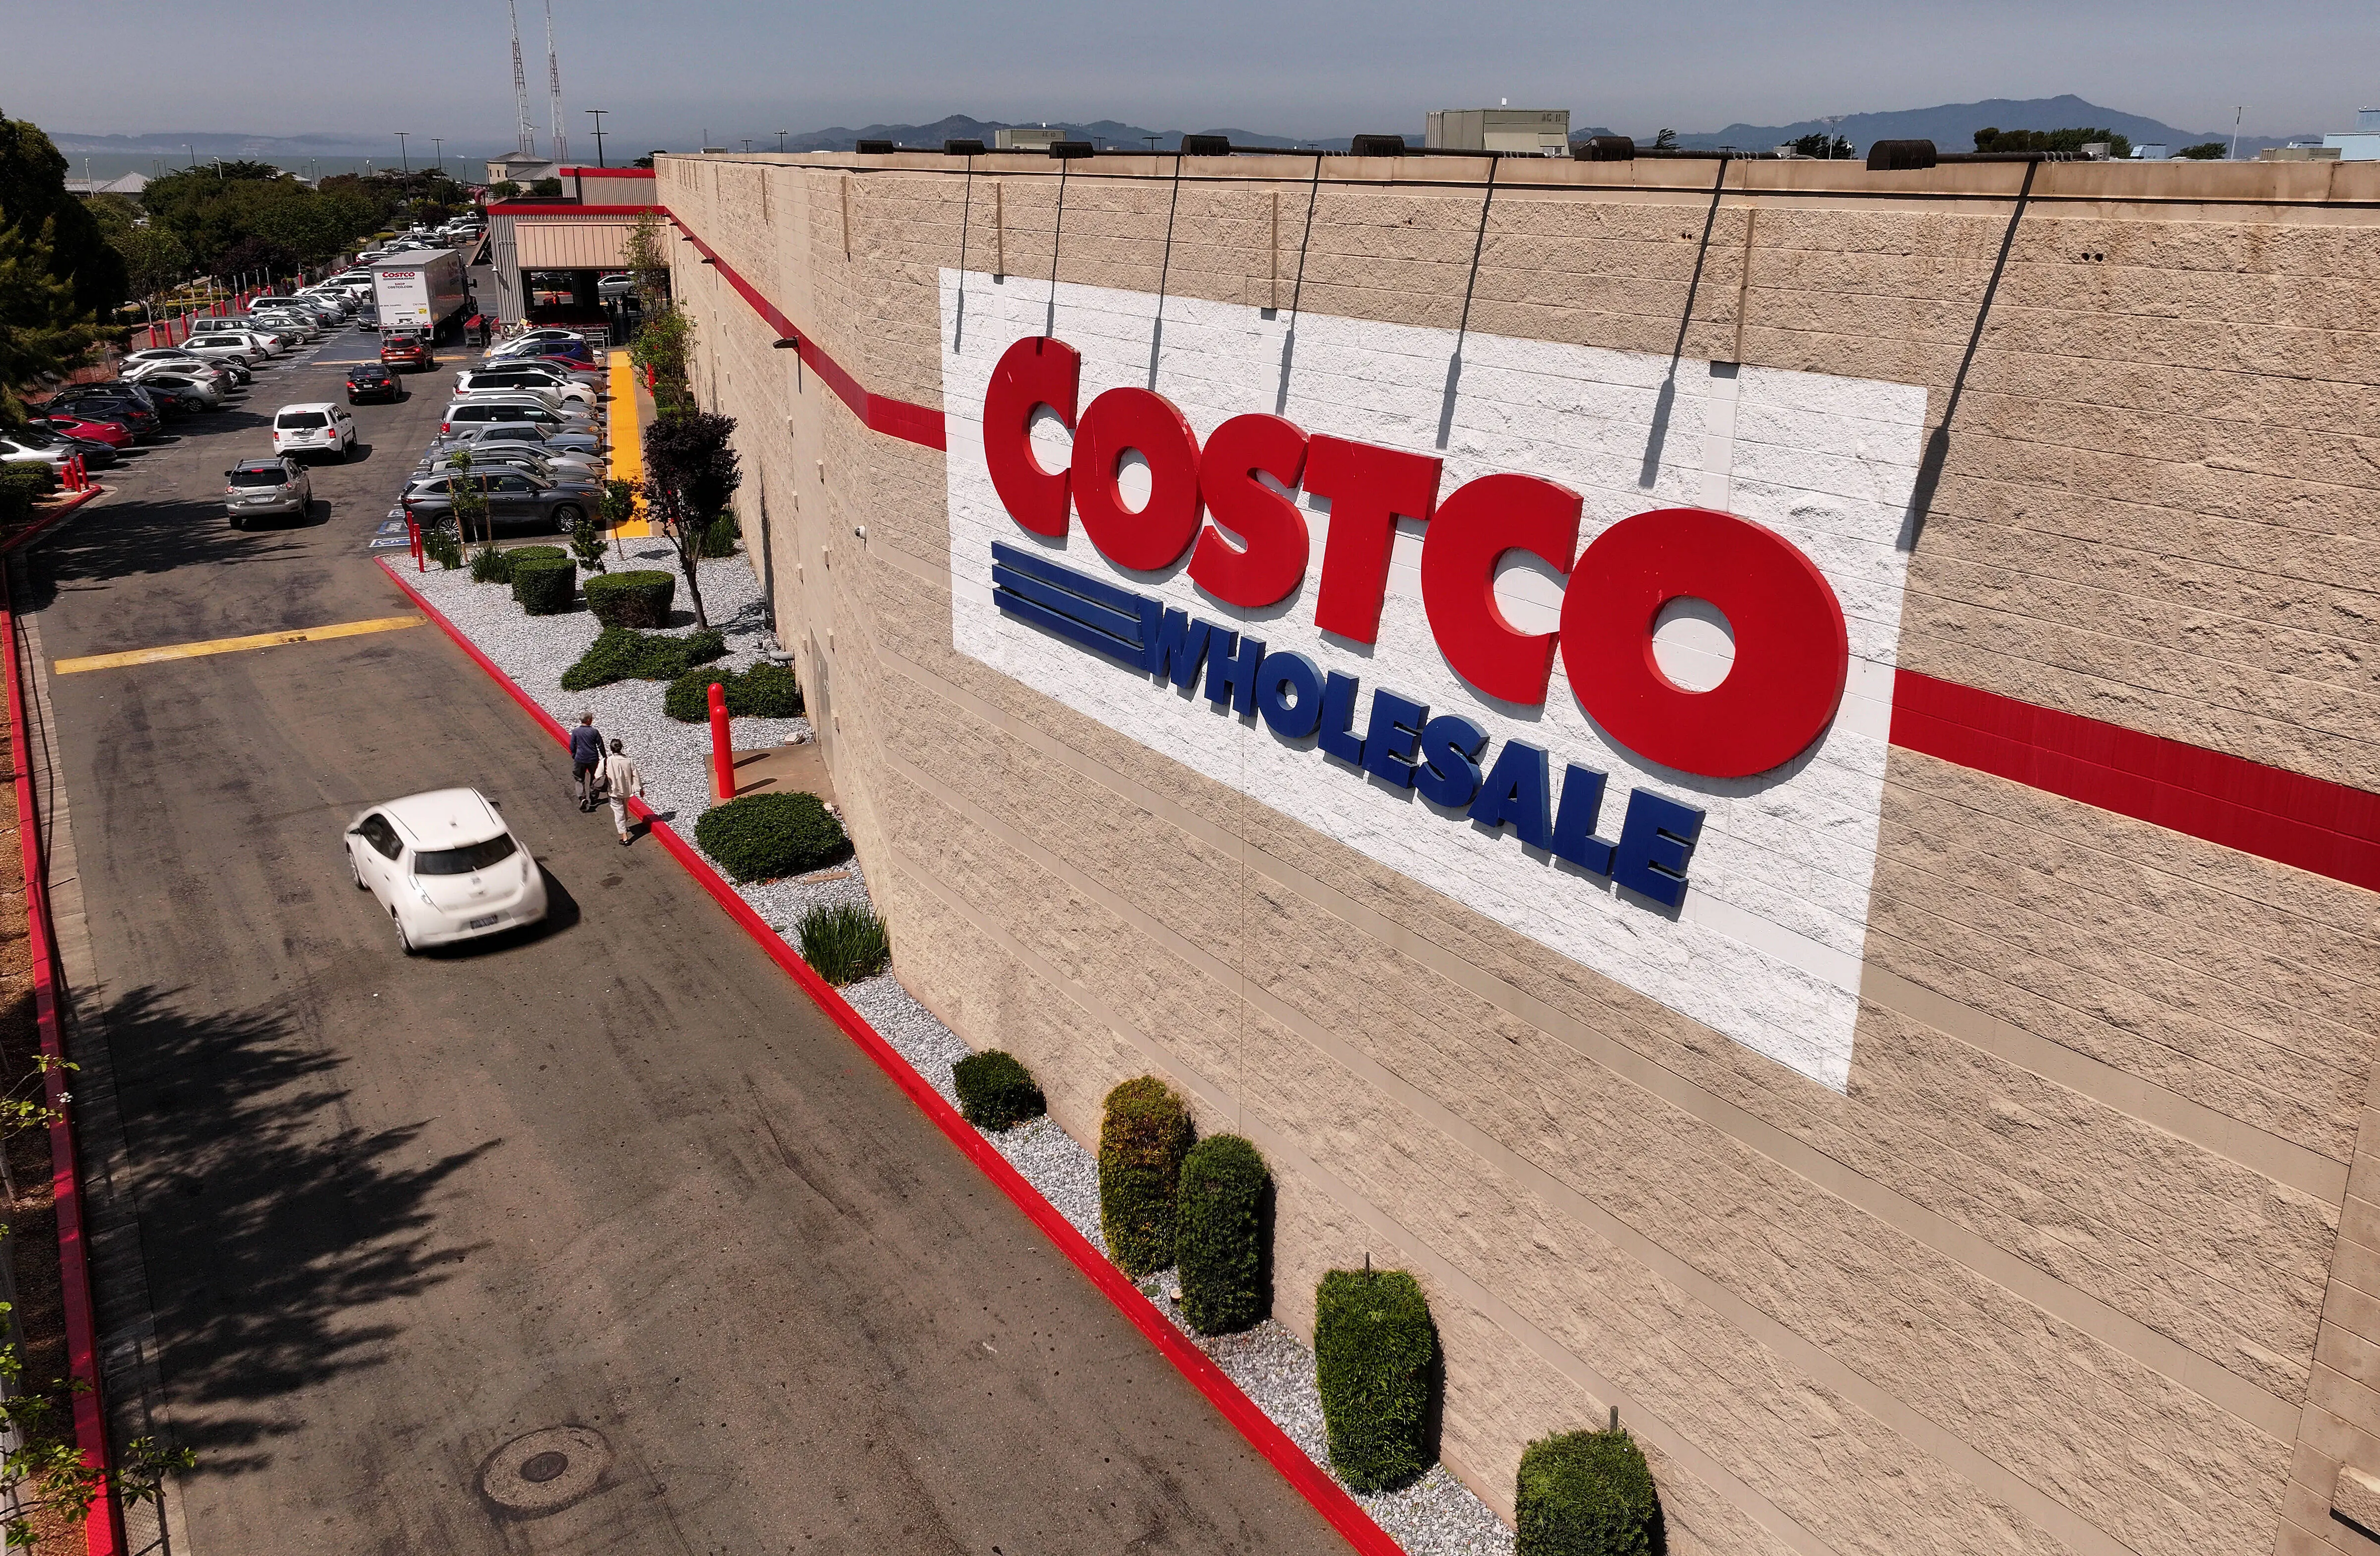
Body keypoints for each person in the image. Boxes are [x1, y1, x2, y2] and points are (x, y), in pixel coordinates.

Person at [600, 737, 643, 845]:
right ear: (621, 748)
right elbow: (636, 776)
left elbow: (597, 775)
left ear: (611, 749)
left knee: (618, 813)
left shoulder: (606, 761)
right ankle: (625, 823)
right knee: (624, 808)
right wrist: (641, 789)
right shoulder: (629, 761)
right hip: (627, 791)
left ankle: (625, 837)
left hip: (614, 791)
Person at [568, 713, 604, 810]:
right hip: (593, 759)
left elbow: (572, 746)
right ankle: (593, 798)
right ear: (588, 720)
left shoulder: (576, 732)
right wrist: (605, 757)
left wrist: (574, 755)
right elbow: (601, 746)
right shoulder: (594, 732)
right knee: (594, 778)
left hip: (580, 759)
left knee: (579, 779)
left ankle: (582, 797)